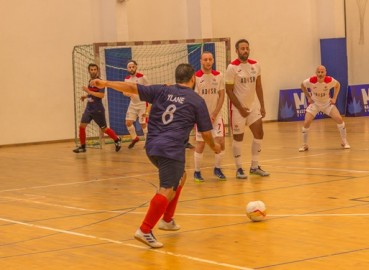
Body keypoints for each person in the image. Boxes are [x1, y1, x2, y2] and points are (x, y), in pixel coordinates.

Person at [90, 63, 221, 248]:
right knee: (167, 189)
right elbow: (206, 133)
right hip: (171, 149)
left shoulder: (162, 90)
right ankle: (145, 230)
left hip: (152, 147)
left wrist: (105, 83)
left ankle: (167, 220)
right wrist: (214, 147)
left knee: (181, 177)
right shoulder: (196, 100)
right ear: (193, 79)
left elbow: (131, 87)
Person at [225, 39, 270, 179]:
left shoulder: (255, 65)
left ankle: (254, 166)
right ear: (236, 51)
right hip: (238, 109)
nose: (245, 50)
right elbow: (229, 91)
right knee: (238, 138)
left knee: (259, 133)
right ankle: (239, 169)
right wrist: (240, 108)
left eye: (247, 48)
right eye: (242, 48)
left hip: (253, 107)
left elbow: (258, 86)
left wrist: (262, 105)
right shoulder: (232, 67)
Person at [299, 65, 350, 151]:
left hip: (327, 103)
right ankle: (304, 145)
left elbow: (338, 85)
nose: (320, 74)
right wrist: (308, 97)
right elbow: (302, 85)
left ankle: (344, 141)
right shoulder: (311, 80)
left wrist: (334, 98)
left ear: (325, 73)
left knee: (339, 119)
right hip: (315, 104)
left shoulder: (329, 80)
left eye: (322, 72)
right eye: (318, 72)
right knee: (307, 121)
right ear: (316, 73)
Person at [193, 51, 227, 182]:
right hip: (201, 117)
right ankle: (197, 172)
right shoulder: (196, 77)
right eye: (205, 59)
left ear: (213, 61)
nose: (208, 61)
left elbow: (222, 95)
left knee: (221, 141)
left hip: (216, 115)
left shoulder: (219, 76)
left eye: (210, 59)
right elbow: (195, 99)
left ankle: (217, 168)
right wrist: (202, 116)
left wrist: (214, 114)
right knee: (200, 144)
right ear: (201, 61)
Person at [73, 63, 121, 153]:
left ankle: (117, 139)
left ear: (97, 71)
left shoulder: (100, 82)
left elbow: (101, 95)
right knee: (82, 126)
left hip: (97, 109)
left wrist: (88, 91)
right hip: (89, 108)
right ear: (89, 71)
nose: (93, 71)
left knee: (104, 129)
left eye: (95, 69)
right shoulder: (90, 81)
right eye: (92, 69)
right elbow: (92, 93)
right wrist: (86, 96)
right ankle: (83, 147)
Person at [124, 60, 150, 149]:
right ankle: (135, 138)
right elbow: (124, 91)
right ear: (127, 68)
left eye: (133, 67)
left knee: (143, 123)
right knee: (128, 122)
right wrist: (127, 93)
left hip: (142, 103)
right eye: (129, 67)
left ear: (136, 67)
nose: (131, 69)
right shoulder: (126, 79)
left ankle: (147, 142)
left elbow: (149, 90)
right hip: (133, 104)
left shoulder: (142, 77)